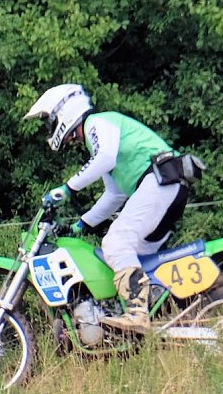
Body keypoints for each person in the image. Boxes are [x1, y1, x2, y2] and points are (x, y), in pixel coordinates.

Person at [24, 83, 193, 333]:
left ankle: (137, 314)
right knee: (134, 256)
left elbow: (104, 159)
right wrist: (81, 225)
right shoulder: (101, 139)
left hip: (159, 180)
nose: (49, 128)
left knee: (115, 242)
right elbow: (115, 194)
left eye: (50, 120)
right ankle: (159, 313)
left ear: (63, 110)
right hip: (167, 184)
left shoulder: (98, 123)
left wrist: (67, 188)